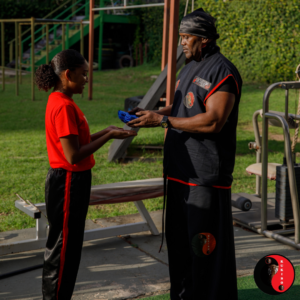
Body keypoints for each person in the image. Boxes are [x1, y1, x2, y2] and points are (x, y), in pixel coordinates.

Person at [127, 8, 242, 300]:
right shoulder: (189, 67)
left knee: (203, 248)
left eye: (186, 37)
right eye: (180, 36)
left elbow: (214, 120)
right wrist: (153, 113)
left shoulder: (223, 71)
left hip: (205, 178)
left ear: (203, 39)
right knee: (179, 245)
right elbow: (179, 108)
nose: (181, 42)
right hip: (179, 172)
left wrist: (164, 121)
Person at [35, 49, 136, 300]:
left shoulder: (62, 101)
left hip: (70, 180)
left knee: (67, 247)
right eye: (83, 74)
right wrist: (110, 137)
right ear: (68, 74)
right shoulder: (63, 106)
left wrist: (106, 131)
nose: (86, 79)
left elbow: (76, 142)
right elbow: (72, 155)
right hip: (67, 181)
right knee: (63, 249)